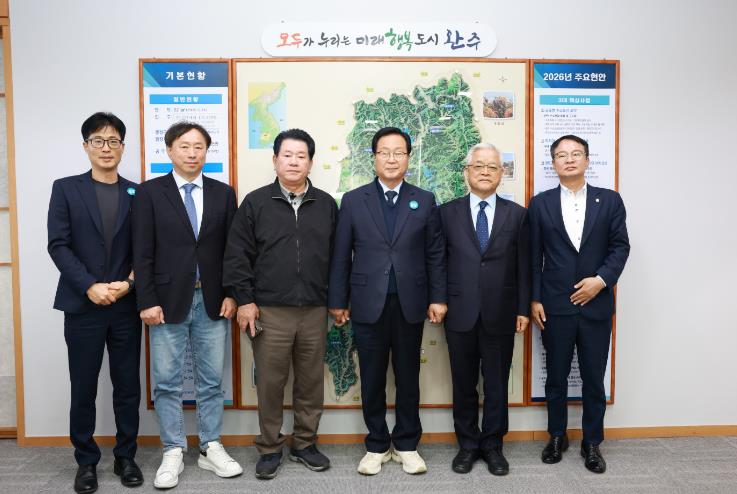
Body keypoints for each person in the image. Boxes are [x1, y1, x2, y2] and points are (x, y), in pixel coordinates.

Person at [328, 127, 447, 475]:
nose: (392, 159)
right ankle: (377, 444)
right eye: (384, 152)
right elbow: (341, 255)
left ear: (408, 158)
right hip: (367, 302)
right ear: (374, 158)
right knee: (372, 377)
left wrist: (438, 297)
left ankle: (407, 443)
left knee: (409, 377)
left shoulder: (424, 199)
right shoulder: (354, 200)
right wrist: (338, 300)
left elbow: (435, 254)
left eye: (399, 152)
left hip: (411, 303)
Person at [223, 128, 338, 480]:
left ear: (310, 163)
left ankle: (304, 443)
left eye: (301, 156)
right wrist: (245, 300)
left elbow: (338, 258)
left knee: (311, 382)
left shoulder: (326, 204)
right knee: (271, 383)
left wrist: (337, 301)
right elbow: (237, 256)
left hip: (315, 309)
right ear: (275, 160)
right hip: (269, 310)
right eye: (287, 155)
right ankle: (270, 448)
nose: (293, 162)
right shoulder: (255, 203)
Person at [132, 121, 241, 488]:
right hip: (165, 303)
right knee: (166, 382)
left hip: (213, 300)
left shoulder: (223, 193)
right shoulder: (149, 193)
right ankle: (173, 449)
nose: (192, 153)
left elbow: (232, 250)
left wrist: (232, 294)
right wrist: (146, 300)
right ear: (169, 150)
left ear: (207, 152)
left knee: (211, 381)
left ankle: (211, 446)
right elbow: (142, 251)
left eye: (199, 147)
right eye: (184, 146)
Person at [47, 112, 143, 493]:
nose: (106, 147)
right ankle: (86, 461)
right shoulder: (66, 189)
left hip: (124, 306)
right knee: (83, 386)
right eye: (98, 141)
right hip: (82, 305)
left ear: (122, 147)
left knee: (127, 385)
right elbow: (58, 245)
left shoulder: (137, 193)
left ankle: (126, 456)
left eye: (113, 141)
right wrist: (89, 286)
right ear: (86, 146)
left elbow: (146, 248)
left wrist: (129, 283)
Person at [529, 134, 630, 474]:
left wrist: (600, 281)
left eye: (576, 154)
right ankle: (557, 436)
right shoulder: (540, 204)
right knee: (556, 378)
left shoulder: (610, 200)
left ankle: (592, 442)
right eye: (562, 155)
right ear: (553, 163)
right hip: (554, 306)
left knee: (593, 379)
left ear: (587, 160)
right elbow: (533, 257)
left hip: (596, 305)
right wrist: (535, 298)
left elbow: (620, 247)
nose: (569, 159)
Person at [439, 143, 530, 476]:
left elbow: (524, 266)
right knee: (463, 384)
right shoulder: (446, 213)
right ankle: (467, 445)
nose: (485, 172)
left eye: (492, 167)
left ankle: (492, 446)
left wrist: (522, 308)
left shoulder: (517, 215)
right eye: (478, 166)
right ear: (467, 171)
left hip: (501, 312)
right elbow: (437, 262)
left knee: (496, 384)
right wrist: (438, 299)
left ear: (501, 173)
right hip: (458, 312)